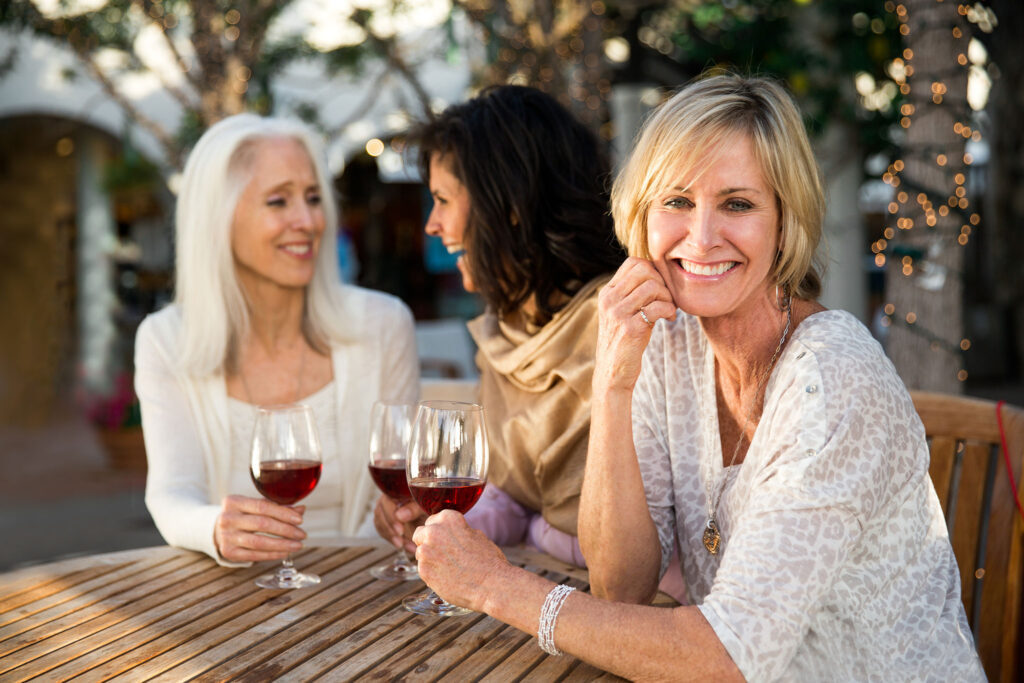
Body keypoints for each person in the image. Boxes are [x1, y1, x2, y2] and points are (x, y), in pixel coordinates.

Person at [407, 74, 985, 680]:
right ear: (642, 215)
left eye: (738, 204)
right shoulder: (671, 341)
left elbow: (724, 657)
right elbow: (620, 584)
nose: (702, 238)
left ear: (786, 221)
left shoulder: (831, 380)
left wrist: (498, 587)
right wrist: (613, 379)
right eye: (677, 201)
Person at [135, 114, 419, 566]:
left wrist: (358, 564)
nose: (307, 221)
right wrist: (214, 529)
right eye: (278, 201)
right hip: (229, 601)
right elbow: (172, 495)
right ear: (219, 219)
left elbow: (396, 497)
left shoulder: (383, 325)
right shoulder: (166, 340)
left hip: (367, 591)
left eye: (312, 198)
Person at [374, 85, 625, 567]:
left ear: (508, 205)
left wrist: (536, 531)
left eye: (443, 200)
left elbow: (649, 535)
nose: (432, 225)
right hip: (535, 594)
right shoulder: (504, 329)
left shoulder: (624, 321)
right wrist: (444, 523)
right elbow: (514, 497)